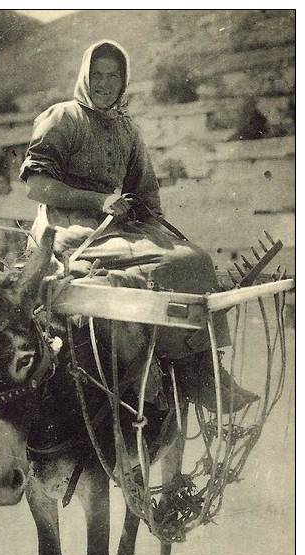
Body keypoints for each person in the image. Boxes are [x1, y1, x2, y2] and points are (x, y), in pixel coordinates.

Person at [20, 40, 258, 413]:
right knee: (156, 269)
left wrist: (152, 222)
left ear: (123, 81)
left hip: (112, 225)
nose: (104, 83)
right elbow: (37, 186)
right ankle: (147, 368)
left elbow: (144, 189)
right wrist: (97, 201)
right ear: (85, 76)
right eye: (96, 75)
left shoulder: (126, 129)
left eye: (112, 76)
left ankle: (203, 367)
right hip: (66, 227)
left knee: (193, 259)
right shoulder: (63, 117)